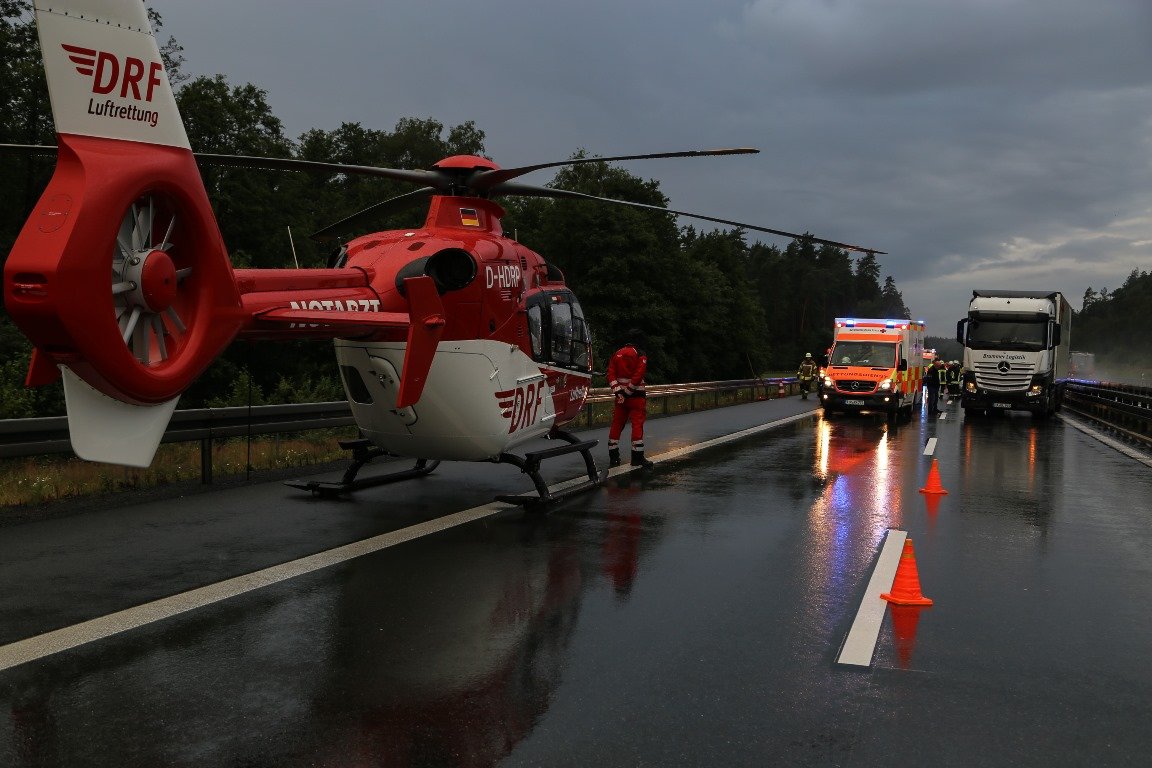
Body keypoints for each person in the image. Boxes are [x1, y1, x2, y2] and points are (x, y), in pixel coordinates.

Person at [607, 329, 653, 468]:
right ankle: (637, 458)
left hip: (620, 398)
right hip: (636, 397)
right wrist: (628, 392)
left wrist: (618, 392)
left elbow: (610, 374)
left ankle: (614, 458)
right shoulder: (640, 354)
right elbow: (638, 377)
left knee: (616, 424)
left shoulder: (617, 353)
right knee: (637, 424)